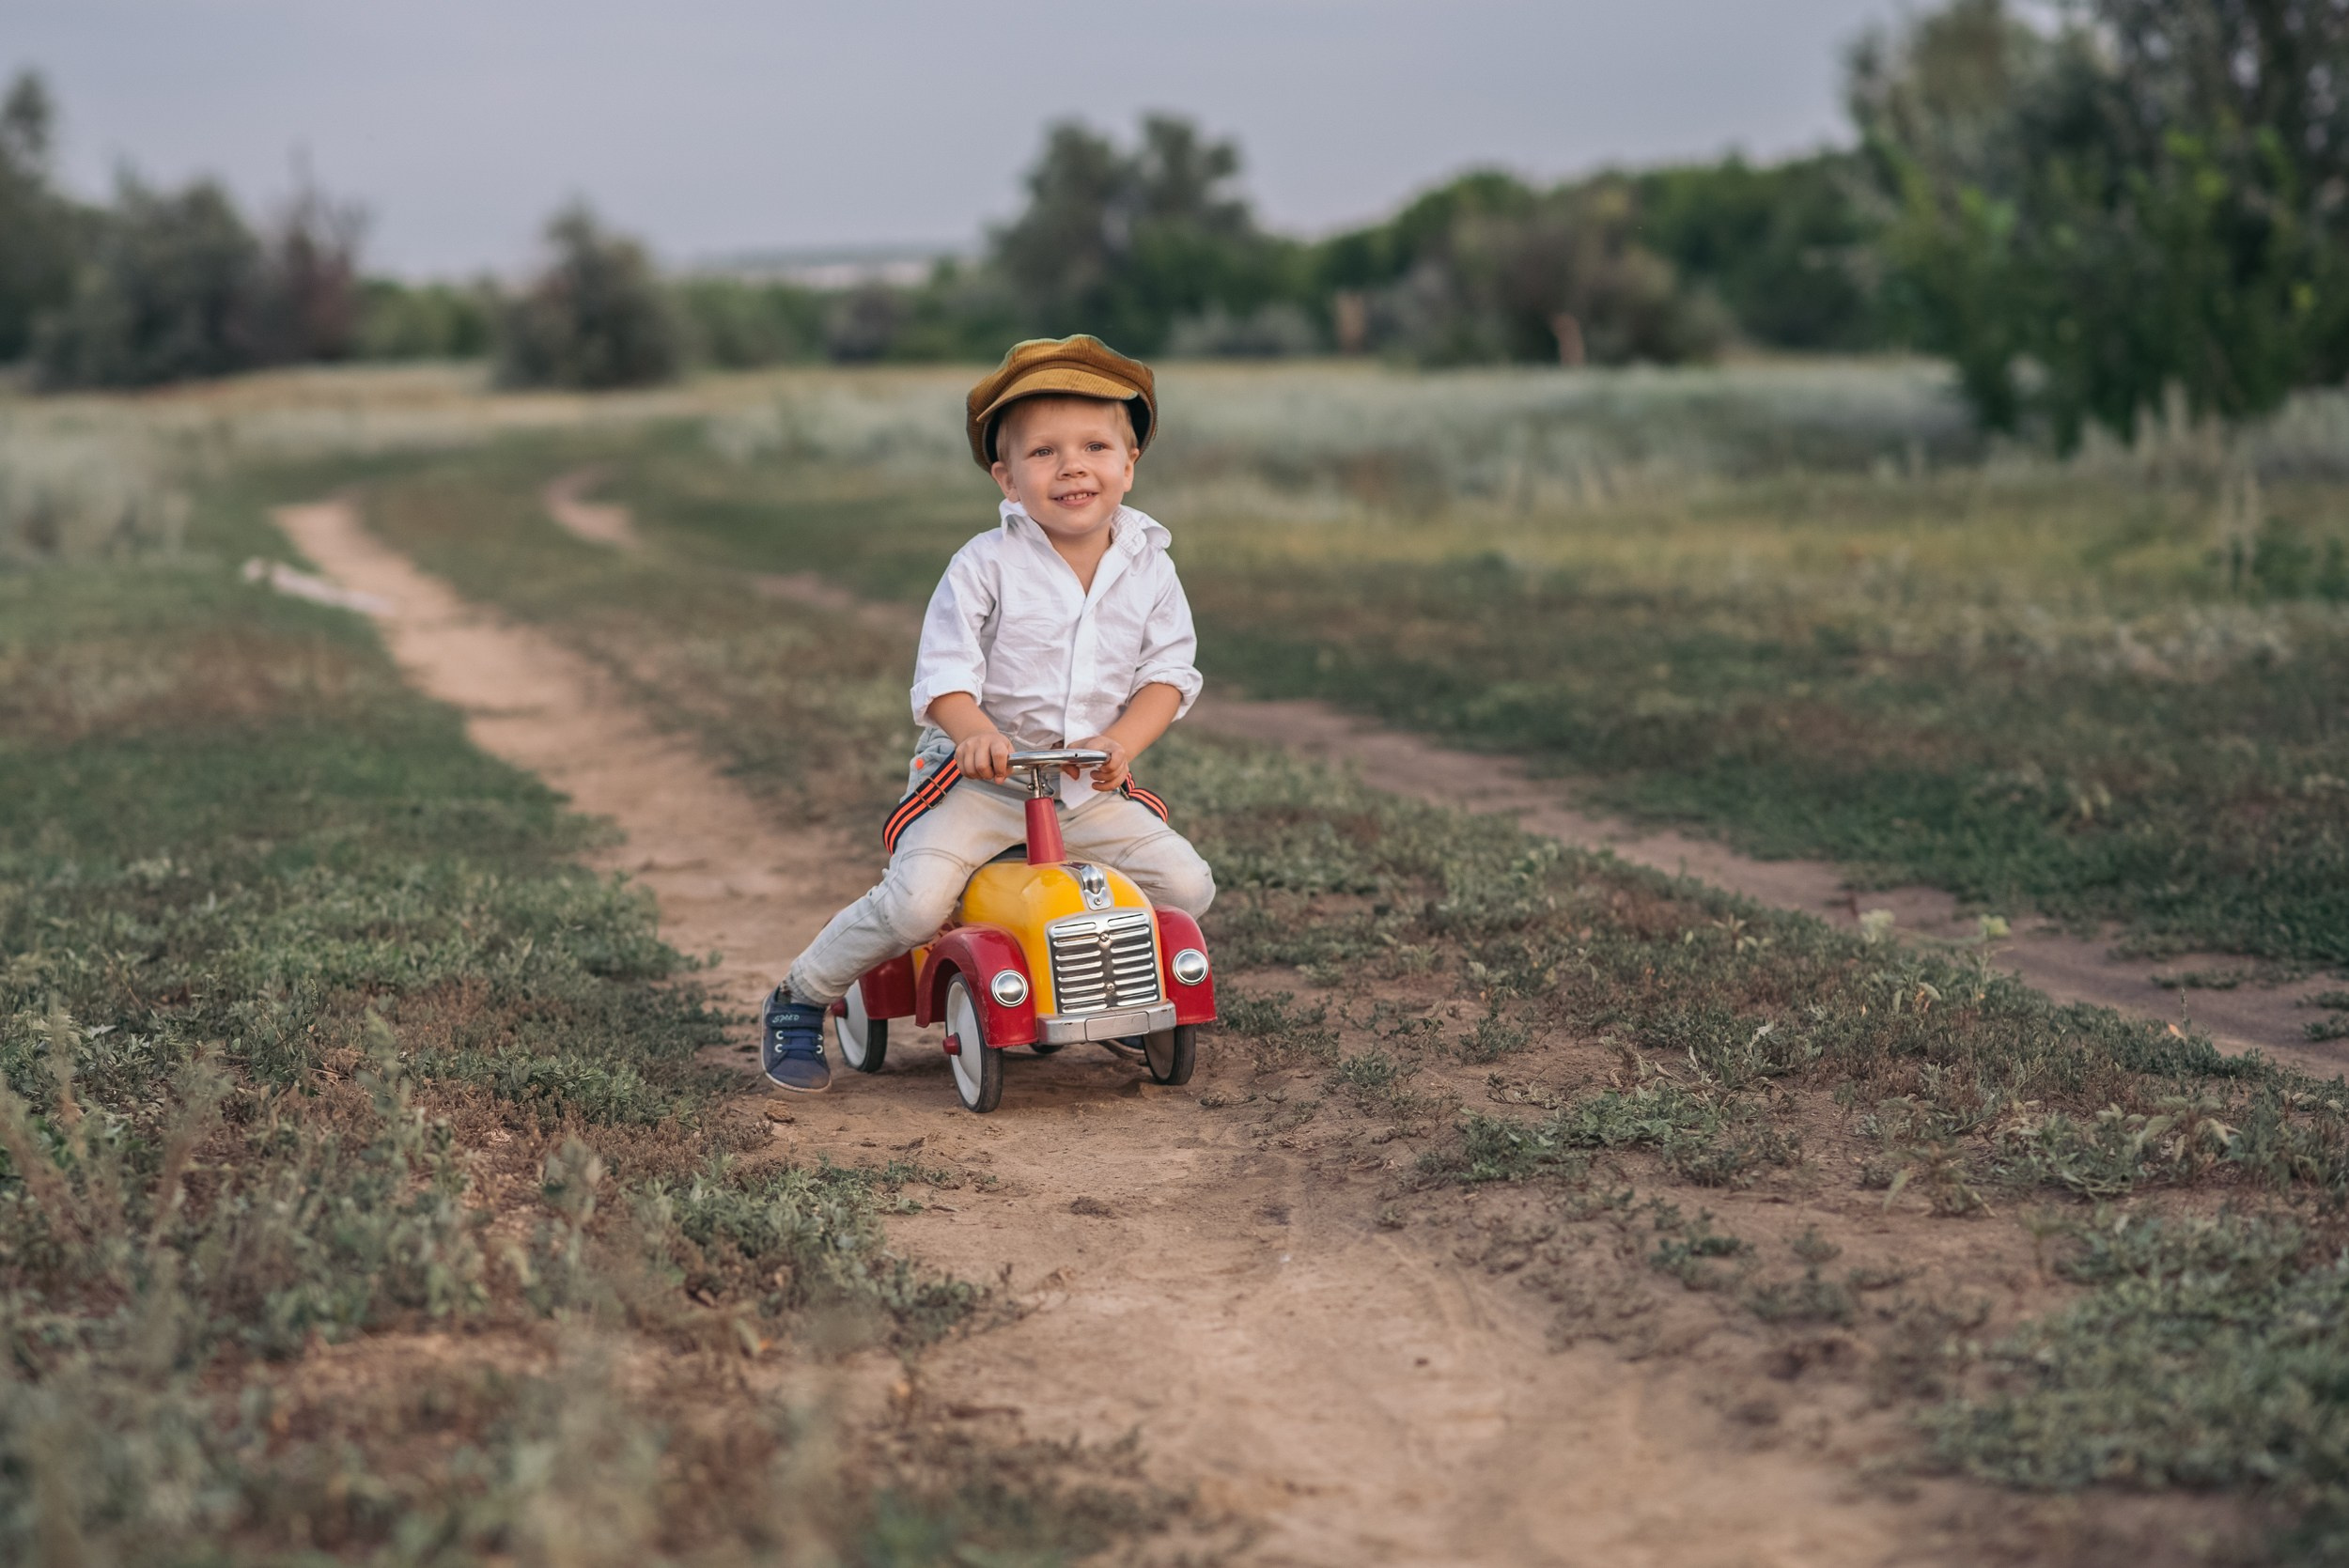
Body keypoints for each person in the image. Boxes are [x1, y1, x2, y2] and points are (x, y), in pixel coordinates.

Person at [759, 334, 1218, 1092]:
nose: (1072, 465)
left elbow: (1167, 674)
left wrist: (1122, 742)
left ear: (1129, 464)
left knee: (1186, 885)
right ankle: (800, 997)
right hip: (979, 784)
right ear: (1006, 478)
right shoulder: (983, 566)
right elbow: (941, 676)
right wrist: (972, 735)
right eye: (1043, 452)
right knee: (914, 906)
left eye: (1096, 445)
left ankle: (1116, 996)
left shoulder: (1151, 566)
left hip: (1082, 786)